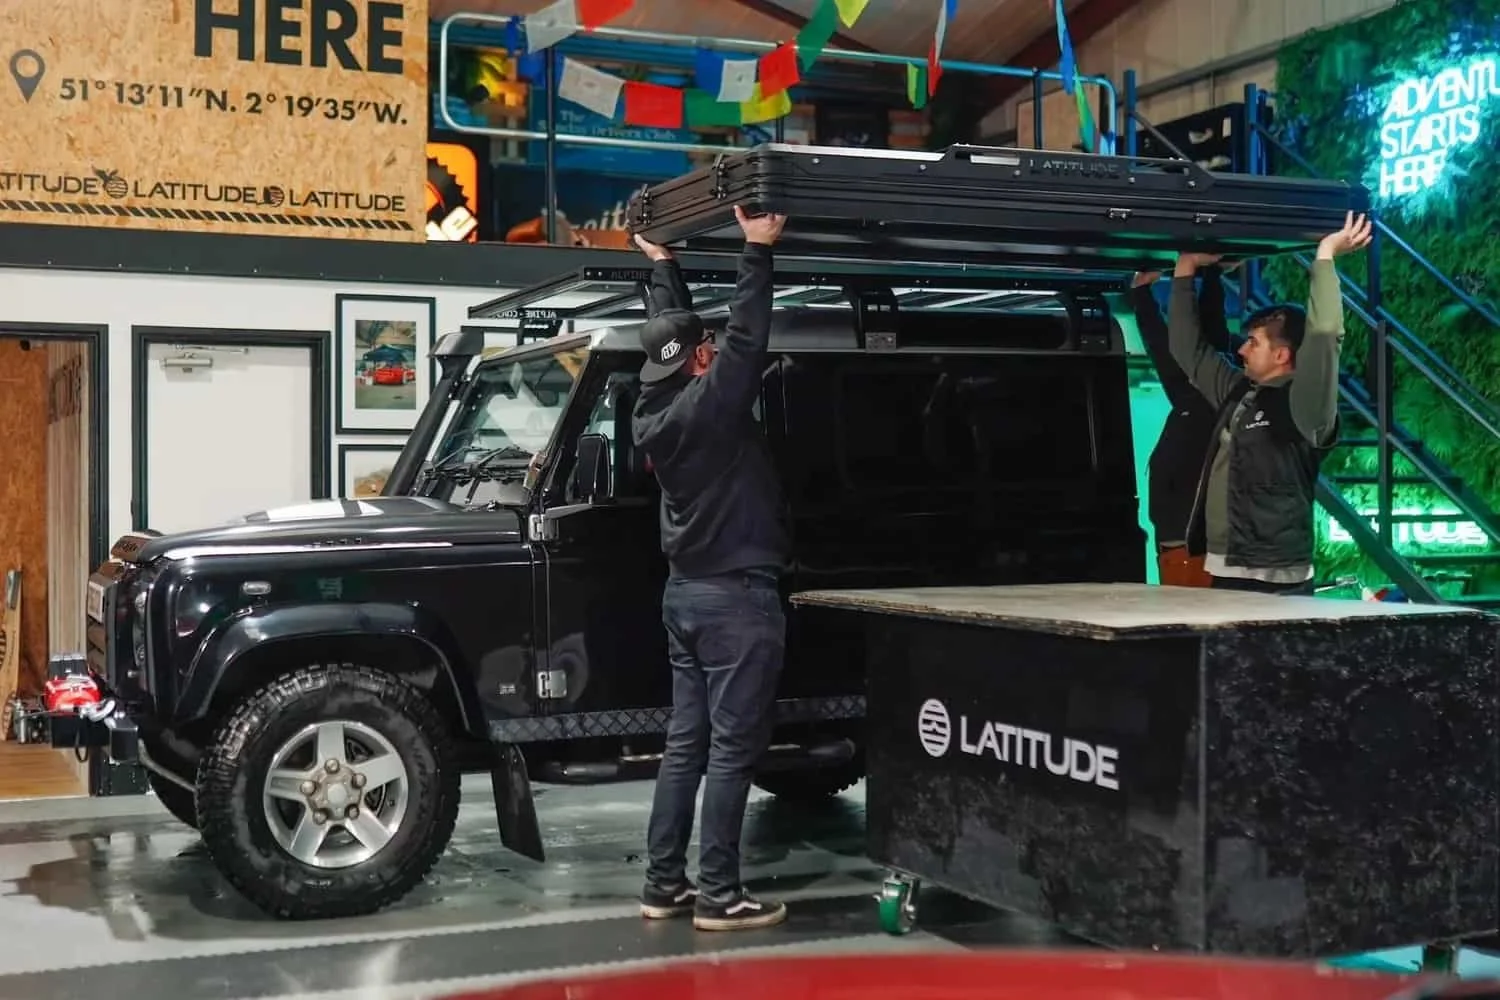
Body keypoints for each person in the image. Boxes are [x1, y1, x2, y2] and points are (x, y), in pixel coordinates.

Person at [629, 205, 792, 932]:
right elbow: (748, 339)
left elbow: (672, 330)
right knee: (731, 751)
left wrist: (664, 267)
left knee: (685, 748)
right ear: (700, 361)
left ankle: (664, 884)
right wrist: (757, 249)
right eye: (709, 348)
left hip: (686, 598)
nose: (717, 349)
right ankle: (720, 895)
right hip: (736, 602)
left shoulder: (655, 405)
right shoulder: (711, 409)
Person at [1168, 211, 1372, 593]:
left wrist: (1325, 256)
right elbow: (1186, 349)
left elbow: (1325, 335)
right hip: (1226, 564)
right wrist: (1186, 268)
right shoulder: (1240, 390)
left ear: (1282, 355)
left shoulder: (1305, 404)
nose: (1241, 349)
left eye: (1254, 343)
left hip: (1274, 576)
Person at [1130, 263, 1236, 587]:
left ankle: (1203, 277)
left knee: (1195, 357)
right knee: (1201, 355)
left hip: (1187, 543)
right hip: (1189, 542)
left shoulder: (1201, 405)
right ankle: (1203, 278)